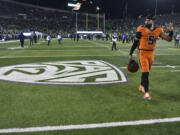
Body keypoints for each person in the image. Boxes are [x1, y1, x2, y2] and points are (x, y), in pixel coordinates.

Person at [129, 15, 173, 100]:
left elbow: (169, 39)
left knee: (146, 73)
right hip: (142, 53)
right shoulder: (141, 29)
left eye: (148, 20)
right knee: (145, 72)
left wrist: (171, 32)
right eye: (146, 20)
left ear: (152, 21)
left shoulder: (158, 29)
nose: (146, 22)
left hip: (151, 53)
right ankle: (147, 93)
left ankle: (141, 86)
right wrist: (130, 53)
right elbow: (135, 42)